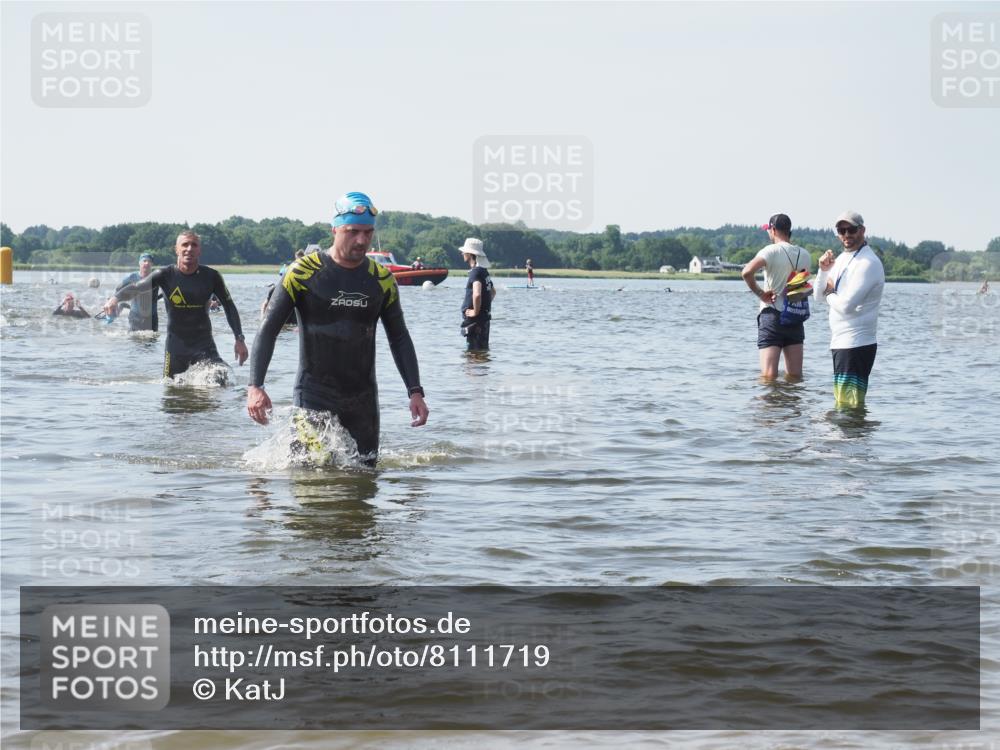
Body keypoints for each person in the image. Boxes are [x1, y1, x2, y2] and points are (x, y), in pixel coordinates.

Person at [246, 191, 429, 464]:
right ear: (335, 229)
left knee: (365, 481)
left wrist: (415, 391)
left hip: (363, 401)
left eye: (368, 232)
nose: (362, 240)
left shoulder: (382, 279)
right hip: (313, 395)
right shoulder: (302, 273)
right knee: (309, 480)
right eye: (353, 231)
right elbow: (268, 329)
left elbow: (399, 337)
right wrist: (255, 386)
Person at [103, 230, 248, 378]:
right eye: (185, 245)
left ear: (199, 250)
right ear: (177, 249)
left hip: (204, 345)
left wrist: (239, 339)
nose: (189, 249)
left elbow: (229, 307)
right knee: (172, 391)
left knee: (220, 378)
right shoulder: (165, 275)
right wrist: (115, 298)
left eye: (194, 245)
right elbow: (137, 287)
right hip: (175, 348)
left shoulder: (212, 276)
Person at [814, 211, 885, 408]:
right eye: (841, 230)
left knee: (849, 409)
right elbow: (818, 296)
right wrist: (823, 270)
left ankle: (854, 438)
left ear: (862, 230)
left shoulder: (868, 263)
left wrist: (830, 293)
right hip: (841, 343)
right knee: (842, 405)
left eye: (851, 229)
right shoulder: (843, 259)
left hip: (856, 344)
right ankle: (852, 437)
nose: (846, 234)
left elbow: (845, 306)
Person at [741, 213, 811, 380]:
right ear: (789, 231)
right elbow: (801, 289)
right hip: (795, 316)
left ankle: (771, 407)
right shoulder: (805, 255)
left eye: (768, 230)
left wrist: (761, 294)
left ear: (773, 230)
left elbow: (746, 272)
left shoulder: (770, 251)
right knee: (795, 377)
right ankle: (791, 405)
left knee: (768, 377)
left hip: (772, 316)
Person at [459, 238, 496, 351]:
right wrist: (483, 306)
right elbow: (493, 292)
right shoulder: (484, 271)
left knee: (473, 355)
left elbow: (477, 294)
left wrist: (475, 311)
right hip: (484, 320)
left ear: (470, 254)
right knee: (482, 351)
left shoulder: (475, 272)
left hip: (475, 321)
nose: (462, 253)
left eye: (464, 251)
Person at [115, 252, 159, 331]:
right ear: (139, 263)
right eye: (144, 261)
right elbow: (118, 289)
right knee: (135, 341)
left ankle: (123, 305)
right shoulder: (132, 277)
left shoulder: (156, 277)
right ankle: (122, 306)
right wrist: (112, 301)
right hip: (135, 317)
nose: (146, 263)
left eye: (149, 261)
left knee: (152, 341)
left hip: (152, 318)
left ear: (152, 264)